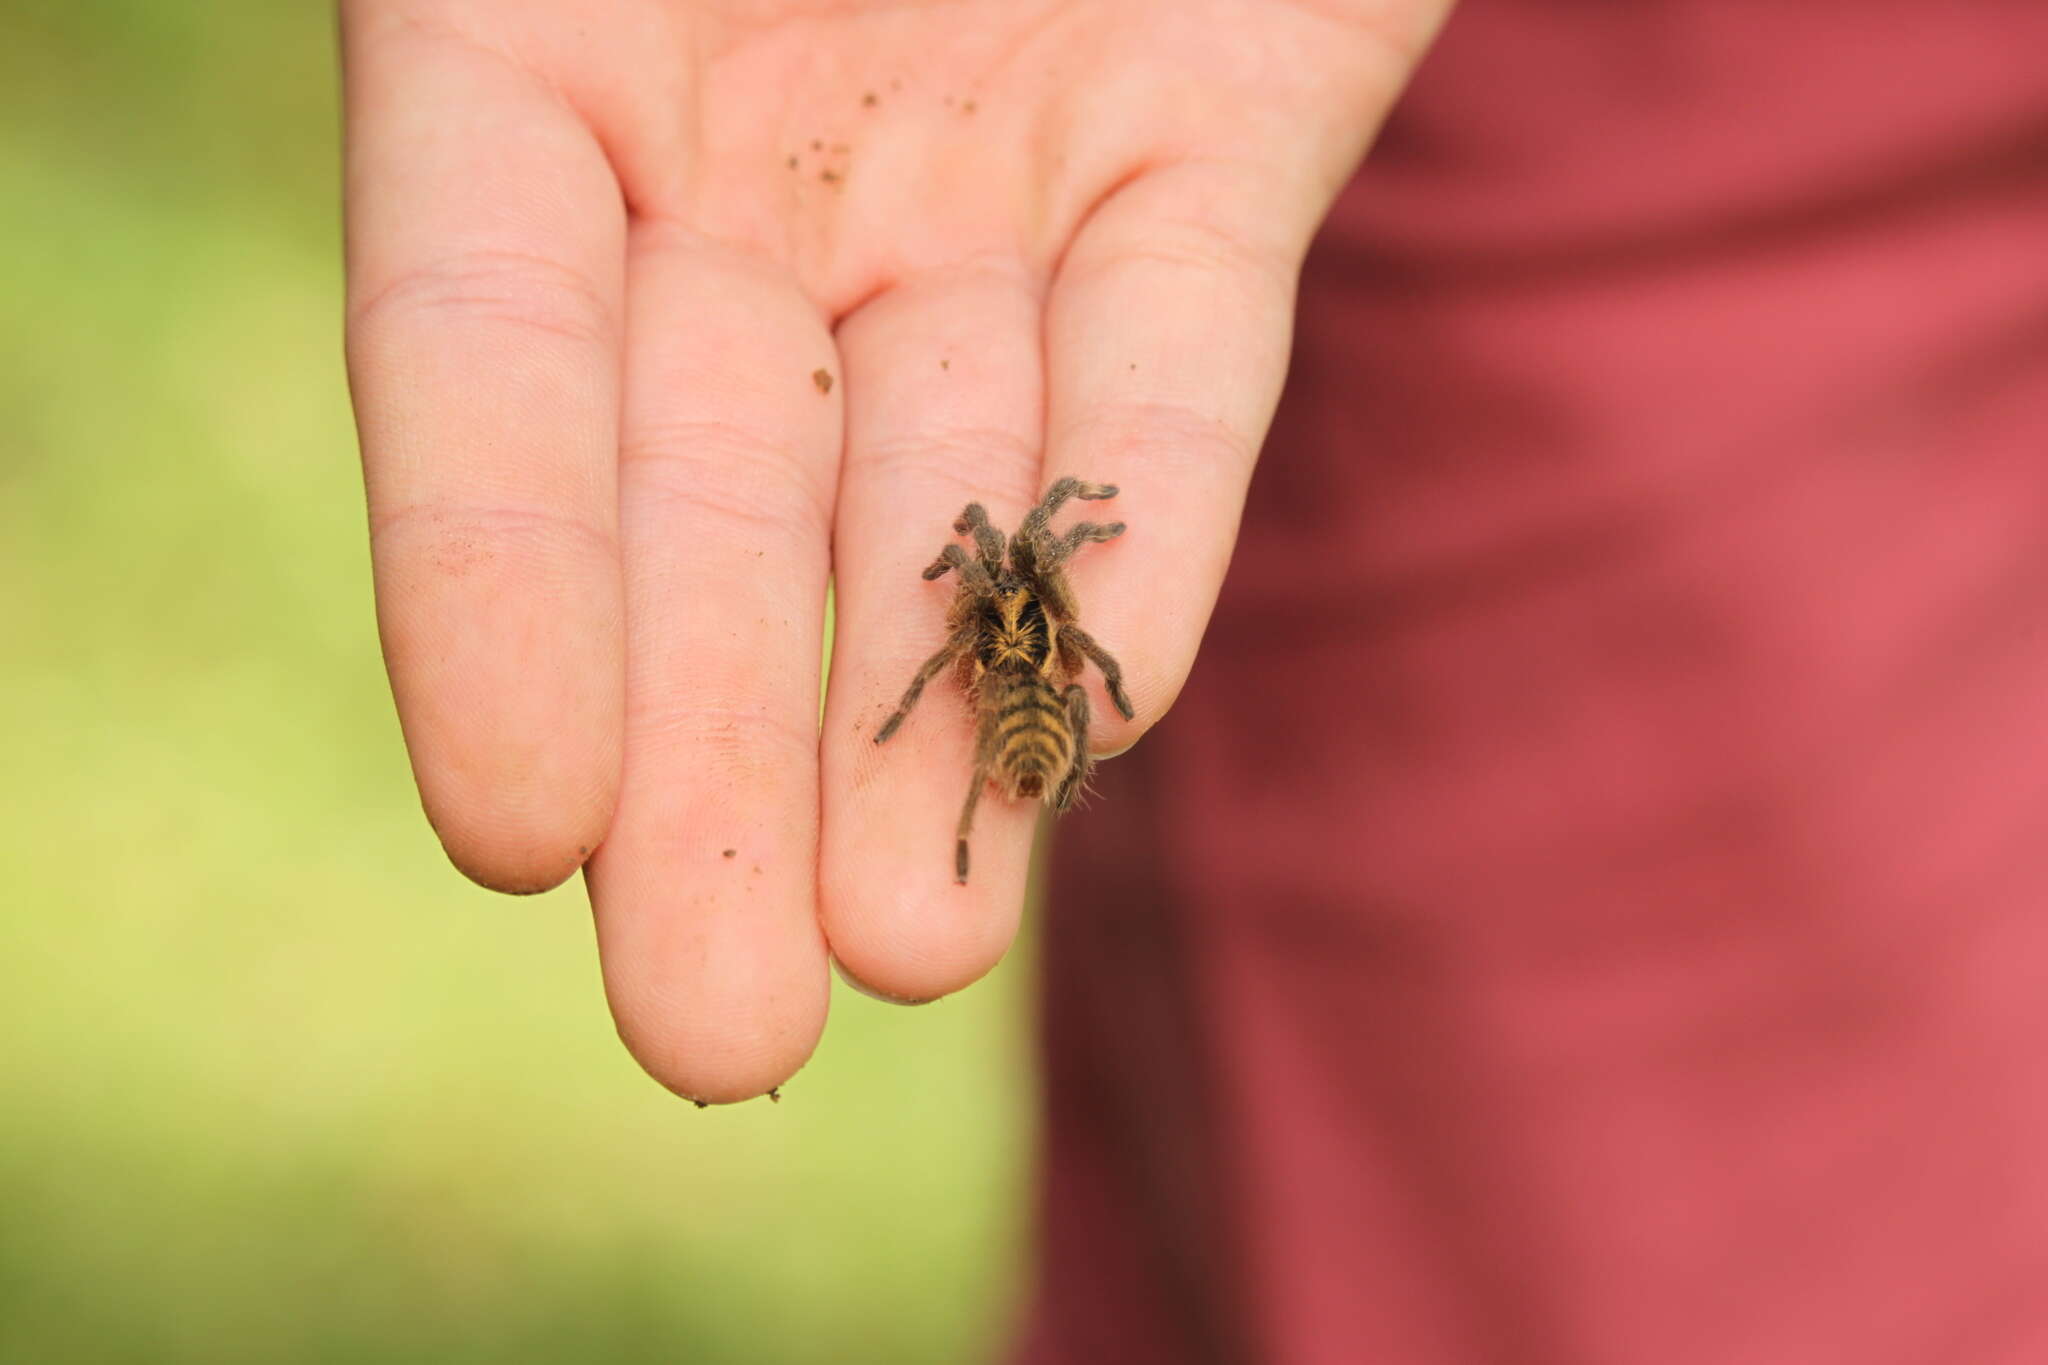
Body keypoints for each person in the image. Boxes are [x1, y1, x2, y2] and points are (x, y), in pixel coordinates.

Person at [341, 1, 2048, 1359]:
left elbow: (1007, 612)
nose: (1007, 574)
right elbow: (1029, 622)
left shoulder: (1010, 613)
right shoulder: (1035, 620)